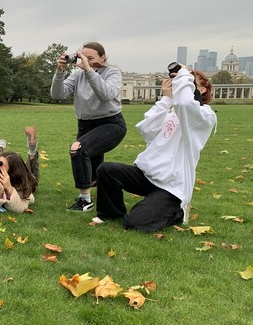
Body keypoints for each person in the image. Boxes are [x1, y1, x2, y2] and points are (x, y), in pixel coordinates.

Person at [92, 66, 217, 232]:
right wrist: (166, 100)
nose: (181, 83)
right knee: (107, 170)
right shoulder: (172, 111)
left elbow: (186, 104)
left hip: (171, 185)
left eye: (190, 81)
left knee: (135, 223)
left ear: (201, 90)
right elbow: (146, 129)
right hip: (148, 175)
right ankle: (111, 213)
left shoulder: (205, 116)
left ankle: (177, 212)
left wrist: (185, 75)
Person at [50, 42, 127, 212]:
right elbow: (57, 94)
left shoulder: (112, 72)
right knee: (94, 171)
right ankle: (104, 194)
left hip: (111, 123)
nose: (86, 61)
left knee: (78, 149)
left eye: (90, 58)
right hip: (85, 124)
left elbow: (105, 94)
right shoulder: (78, 75)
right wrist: (59, 71)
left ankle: (85, 200)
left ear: (103, 57)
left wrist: (89, 71)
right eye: (82, 57)